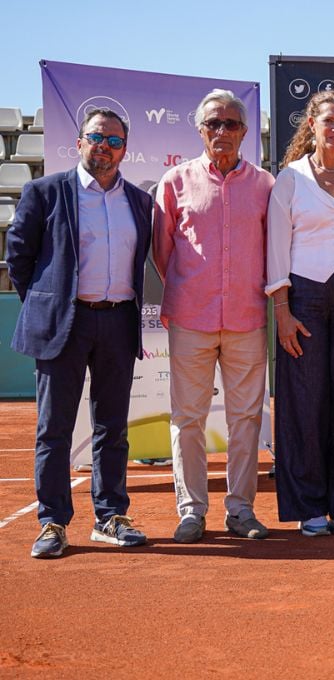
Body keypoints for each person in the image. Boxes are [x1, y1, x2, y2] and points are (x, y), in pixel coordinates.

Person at [7, 109, 152, 558]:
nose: (104, 147)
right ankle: (52, 522)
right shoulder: (44, 192)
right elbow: (18, 256)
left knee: (113, 428)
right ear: (79, 142)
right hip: (63, 324)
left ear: (124, 148)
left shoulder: (140, 202)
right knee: (55, 430)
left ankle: (110, 517)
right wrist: (47, 300)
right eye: (96, 137)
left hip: (118, 320)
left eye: (113, 141)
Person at [154, 89, 275, 543]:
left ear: (244, 131)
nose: (221, 132)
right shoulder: (174, 181)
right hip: (190, 317)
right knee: (188, 417)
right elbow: (162, 251)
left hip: (248, 317)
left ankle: (241, 511)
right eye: (212, 124)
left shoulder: (265, 184)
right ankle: (191, 511)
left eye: (230, 124)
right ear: (200, 129)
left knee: (245, 419)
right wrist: (192, 290)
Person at [267, 91, 334, 536]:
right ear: (310, 123)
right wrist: (282, 309)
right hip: (304, 298)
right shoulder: (289, 180)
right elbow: (276, 247)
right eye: (328, 120)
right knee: (303, 404)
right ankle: (309, 507)